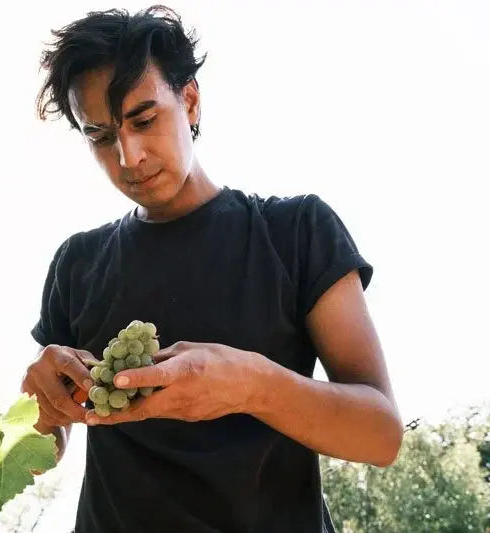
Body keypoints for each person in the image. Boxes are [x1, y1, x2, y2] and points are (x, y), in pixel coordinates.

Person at [20, 6, 403, 533]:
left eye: (144, 120)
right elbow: (42, 454)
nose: (129, 157)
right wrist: (40, 410)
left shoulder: (295, 231)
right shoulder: (76, 263)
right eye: (101, 136)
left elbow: (381, 436)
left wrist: (251, 385)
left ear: (190, 101)